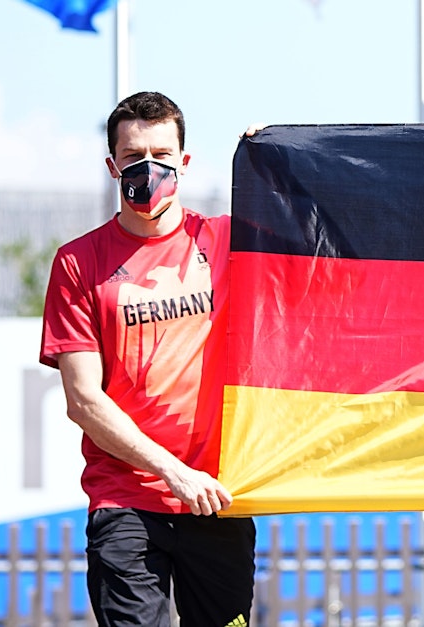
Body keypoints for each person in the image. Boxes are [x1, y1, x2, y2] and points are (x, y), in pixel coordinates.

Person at [39, 91, 252, 627]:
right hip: (126, 501)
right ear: (112, 165)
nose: (148, 168)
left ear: (184, 161)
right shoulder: (78, 263)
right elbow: (83, 401)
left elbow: (320, 238)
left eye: (161, 154)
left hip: (218, 497)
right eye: (133, 156)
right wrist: (173, 472)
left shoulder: (227, 242)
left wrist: (274, 158)